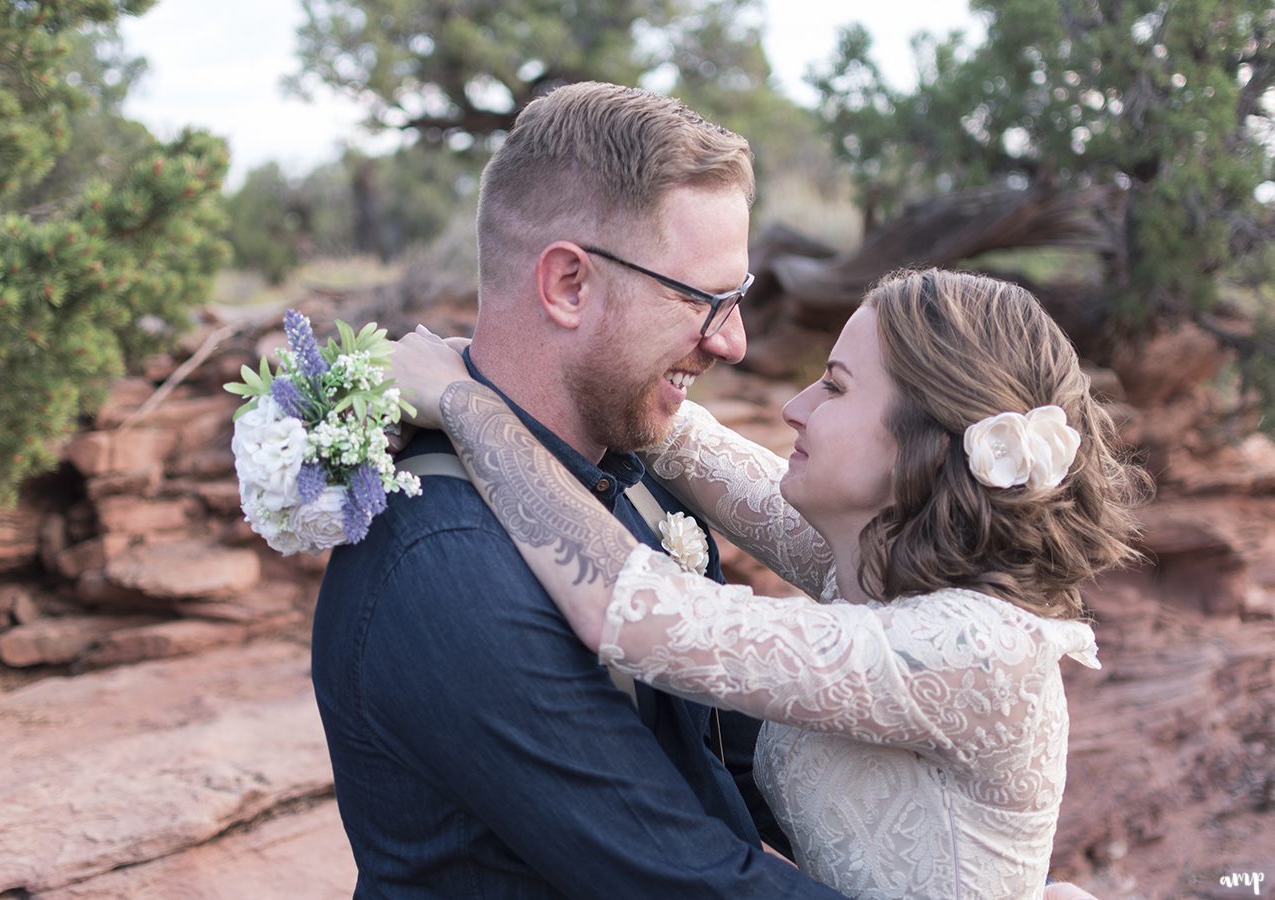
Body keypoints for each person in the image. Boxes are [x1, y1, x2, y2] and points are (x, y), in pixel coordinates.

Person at [393, 267, 1149, 898]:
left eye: (835, 387)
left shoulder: (976, 649)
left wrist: (467, 408)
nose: (793, 408)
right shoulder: (880, 563)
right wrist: (507, 362)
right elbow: (690, 447)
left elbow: (640, 611)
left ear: (925, 440)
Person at [310, 81, 844, 897]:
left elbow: (755, 764)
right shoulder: (447, 564)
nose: (731, 341)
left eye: (735, 300)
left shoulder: (634, 467)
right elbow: (687, 880)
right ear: (568, 285)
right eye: (705, 299)